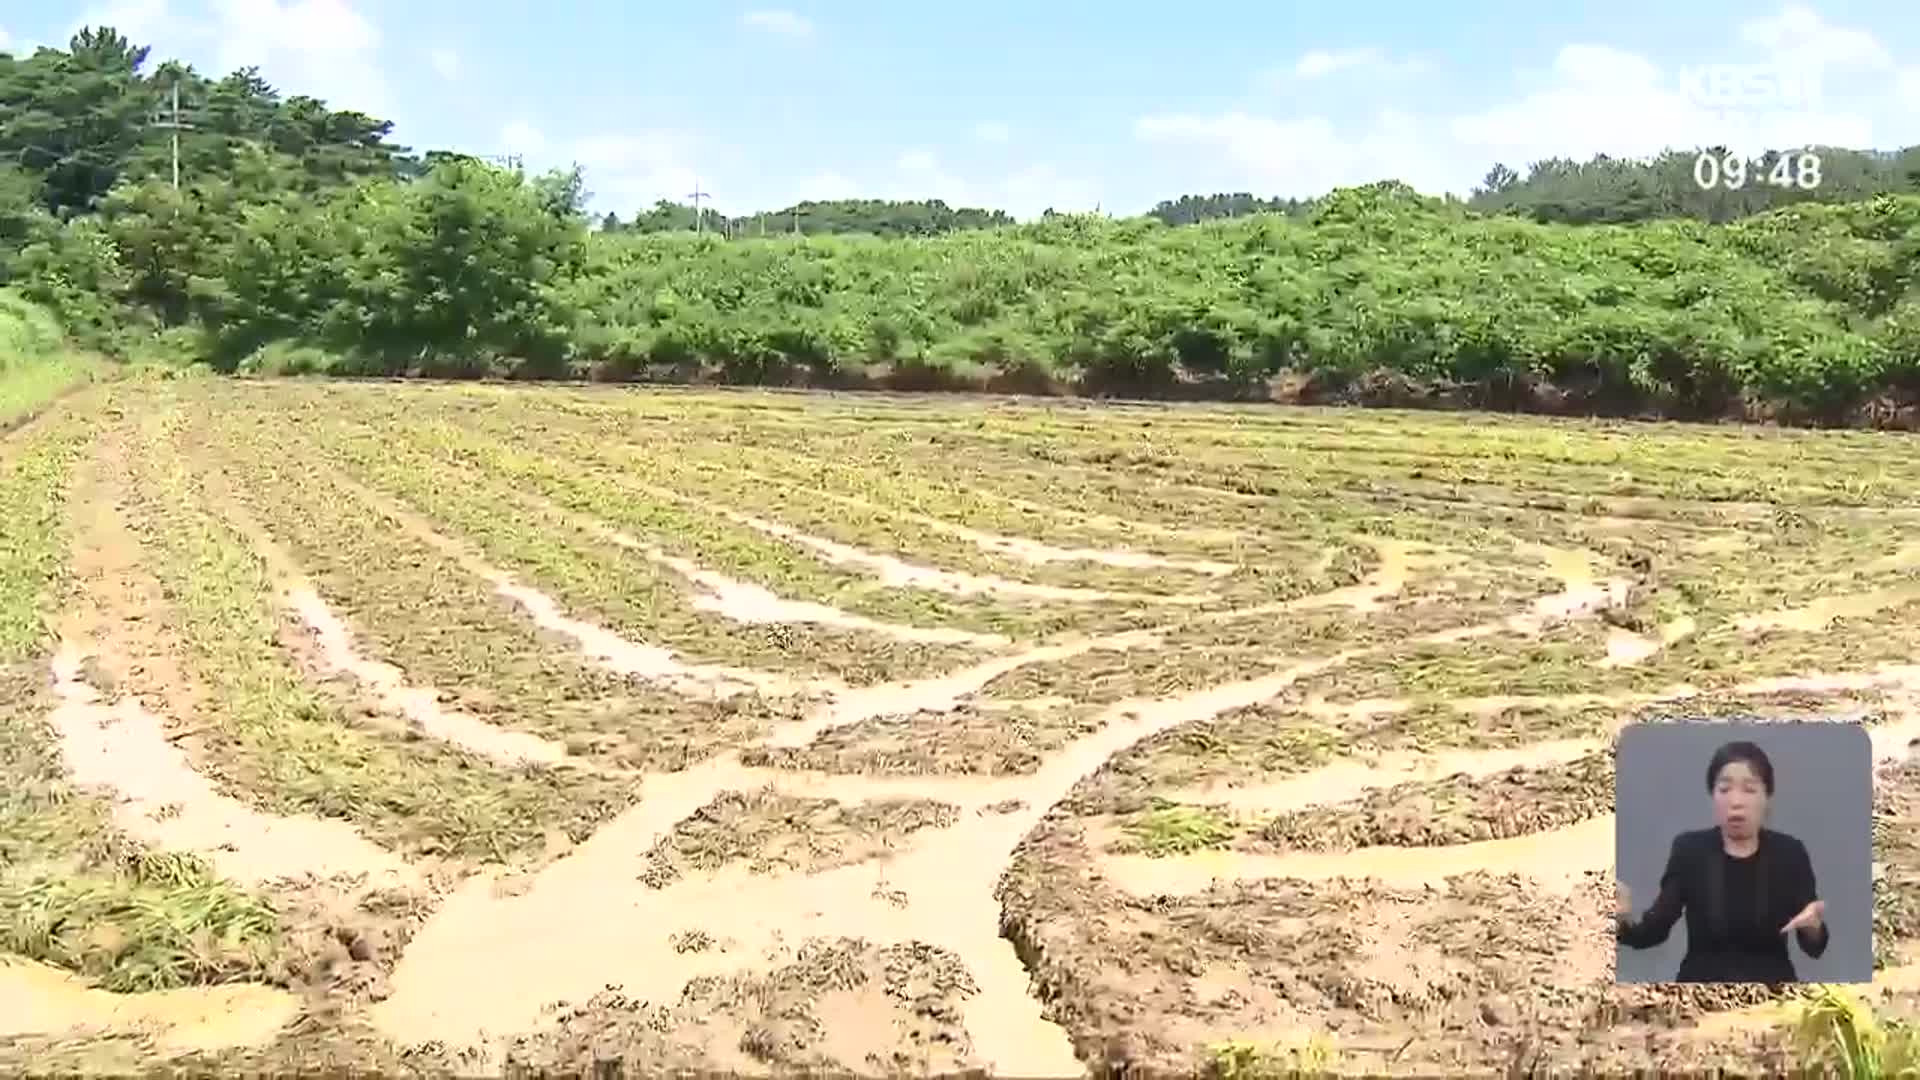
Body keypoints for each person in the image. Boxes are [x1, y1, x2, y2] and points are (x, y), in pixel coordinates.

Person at [1616, 739, 1829, 983]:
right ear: (1713, 796)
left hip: (1773, 993)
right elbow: (1652, 932)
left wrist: (1812, 927)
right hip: (1700, 992)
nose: (1736, 801)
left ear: (1767, 797)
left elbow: (1815, 948)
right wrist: (1620, 918)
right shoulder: (1689, 850)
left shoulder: (1790, 853)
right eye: (1725, 789)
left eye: (1749, 789)